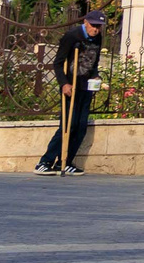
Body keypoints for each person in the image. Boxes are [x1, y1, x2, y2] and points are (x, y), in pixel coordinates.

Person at [34, 10, 106, 175]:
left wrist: (95, 76)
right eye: (94, 26)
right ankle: (45, 162)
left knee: (80, 127)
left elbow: (95, 60)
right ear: (86, 22)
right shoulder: (72, 36)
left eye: (99, 27)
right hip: (71, 87)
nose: (96, 30)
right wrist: (64, 84)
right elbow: (58, 63)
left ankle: (65, 162)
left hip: (86, 86)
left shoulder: (98, 37)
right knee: (68, 124)